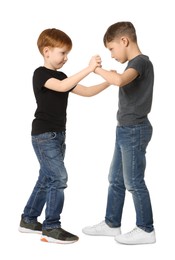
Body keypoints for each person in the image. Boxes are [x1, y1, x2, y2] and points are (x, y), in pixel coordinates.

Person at [18, 28, 110, 244]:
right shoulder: (41, 74)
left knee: (46, 178)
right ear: (47, 51)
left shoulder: (62, 75)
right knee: (58, 178)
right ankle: (51, 227)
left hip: (58, 136)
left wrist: (109, 82)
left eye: (68, 54)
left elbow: (85, 91)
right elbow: (61, 86)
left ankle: (29, 219)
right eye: (63, 53)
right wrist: (88, 68)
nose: (66, 58)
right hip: (43, 135)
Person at [82, 21, 156, 245]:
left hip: (135, 130)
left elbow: (120, 80)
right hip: (124, 129)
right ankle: (111, 223)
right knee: (115, 179)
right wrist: (107, 74)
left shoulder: (141, 62)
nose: (112, 55)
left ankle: (146, 228)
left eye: (111, 49)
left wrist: (96, 69)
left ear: (124, 41)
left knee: (133, 182)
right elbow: (119, 79)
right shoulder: (133, 64)